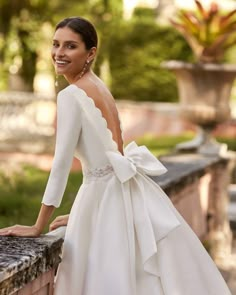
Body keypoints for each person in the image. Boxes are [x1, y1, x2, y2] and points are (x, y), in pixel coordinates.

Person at [0, 17, 231, 295]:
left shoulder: (71, 95)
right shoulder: (98, 86)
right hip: (119, 194)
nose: (59, 53)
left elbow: (61, 165)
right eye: (56, 44)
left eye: (70, 46)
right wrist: (82, 212)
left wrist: (38, 226)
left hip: (106, 195)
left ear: (91, 53)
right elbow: (110, 157)